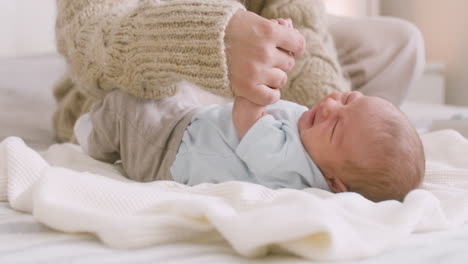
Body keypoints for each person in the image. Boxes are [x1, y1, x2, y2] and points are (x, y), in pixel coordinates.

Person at [53, 0, 424, 143]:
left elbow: (300, 18)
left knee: (400, 43)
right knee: (143, 101)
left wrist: (323, 117)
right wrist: (212, 39)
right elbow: (88, 35)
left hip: (253, 37)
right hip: (152, 49)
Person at [74, 90, 425, 202]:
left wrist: (256, 78)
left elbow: (246, 114)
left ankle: (90, 137)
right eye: (348, 98)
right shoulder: (313, 146)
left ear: (334, 182)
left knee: (127, 106)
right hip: (191, 129)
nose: (332, 107)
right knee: (165, 91)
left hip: (165, 149)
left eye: (335, 128)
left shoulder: (292, 163)